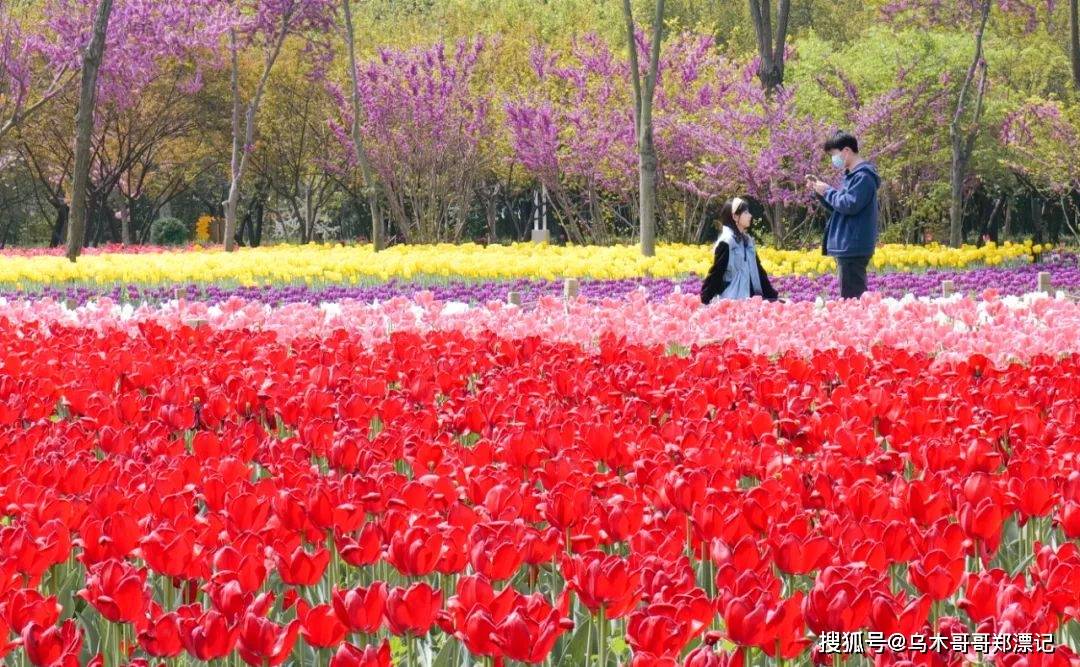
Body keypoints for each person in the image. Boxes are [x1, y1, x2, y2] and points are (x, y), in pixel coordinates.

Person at [806, 131, 881, 299]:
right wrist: (821, 192)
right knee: (850, 297)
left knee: (852, 299)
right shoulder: (852, 176)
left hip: (853, 245)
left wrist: (827, 190)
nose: (834, 159)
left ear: (846, 151)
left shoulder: (863, 177)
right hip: (848, 245)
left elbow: (849, 204)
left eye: (834, 154)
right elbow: (839, 207)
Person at [700, 196, 779, 304]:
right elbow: (716, 273)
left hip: (751, 297)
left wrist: (772, 295)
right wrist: (705, 299)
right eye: (746, 213)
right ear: (735, 216)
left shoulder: (747, 241)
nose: (750, 216)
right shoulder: (727, 242)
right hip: (734, 299)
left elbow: (758, 271)